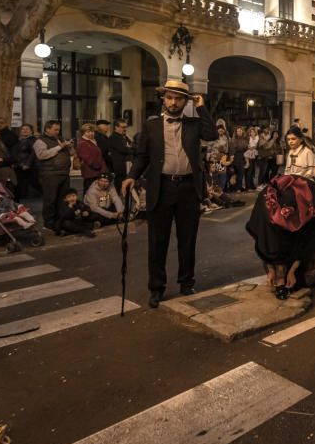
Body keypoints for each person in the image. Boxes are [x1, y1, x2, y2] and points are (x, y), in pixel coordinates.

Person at [121, 80, 218, 308]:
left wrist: (201, 106)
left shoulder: (194, 124)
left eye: (179, 98)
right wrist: (131, 176)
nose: (173, 102)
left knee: (187, 240)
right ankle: (156, 288)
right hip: (161, 188)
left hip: (187, 189)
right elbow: (142, 156)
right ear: (163, 99)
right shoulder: (151, 126)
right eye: (169, 97)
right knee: (157, 242)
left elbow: (212, 133)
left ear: (186, 102)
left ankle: (186, 282)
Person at [247, 126, 315, 298]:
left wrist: (300, 186)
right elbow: (288, 171)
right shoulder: (290, 153)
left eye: (293, 139)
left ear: (300, 139)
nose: (291, 142)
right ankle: (276, 271)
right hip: (289, 187)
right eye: (288, 139)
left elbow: (310, 174)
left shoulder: (307, 152)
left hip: (303, 188)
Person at [34, 120, 74, 229]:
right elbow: (42, 155)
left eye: (58, 129)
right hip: (49, 174)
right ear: (47, 129)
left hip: (63, 173)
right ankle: (49, 222)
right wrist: (60, 147)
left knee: (63, 198)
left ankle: (61, 219)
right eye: (55, 129)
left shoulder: (60, 139)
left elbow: (70, 153)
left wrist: (69, 147)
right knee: (50, 199)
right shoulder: (40, 141)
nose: (58, 131)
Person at [76, 123, 107, 193]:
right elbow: (89, 160)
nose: (91, 133)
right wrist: (99, 166)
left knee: (99, 194)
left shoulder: (92, 142)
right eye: (88, 132)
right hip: (90, 173)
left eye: (92, 132)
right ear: (83, 133)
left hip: (97, 172)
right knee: (89, 194)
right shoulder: (83, 143)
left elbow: (99, 156)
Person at [12, 124, 40, 201]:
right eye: (23, 129)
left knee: (35, 183)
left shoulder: (33, 140)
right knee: (18, 184)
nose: (24, 131)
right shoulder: (18, 140)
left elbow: (33, 153)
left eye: (27, 129)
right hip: (19, 165)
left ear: (31, 131)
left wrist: (28, 164)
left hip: (29, 166)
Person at [106, 120, 133, 193]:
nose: (125, 129)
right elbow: (124, 149)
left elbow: (130, 146)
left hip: (125, 165)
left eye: (126, 127)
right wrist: (131, 149)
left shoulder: (123, 137)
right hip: (119, 166)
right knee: (119, 186)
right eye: (123, 127)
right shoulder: (114, 137)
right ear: (116, 127)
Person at [230, 126, 250, 191]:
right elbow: (232, 149)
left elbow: (246, 149)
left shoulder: (245, 139)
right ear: (236, 132)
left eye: (240, 131)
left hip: (243, 156)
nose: (239, 132)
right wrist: (232, 158)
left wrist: (247, 160)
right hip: (236, 157)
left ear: (242, 131)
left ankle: (240, 187)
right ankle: (235, 188)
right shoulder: (233, 139)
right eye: (238, 131)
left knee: (241, 173)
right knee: (235, 173)